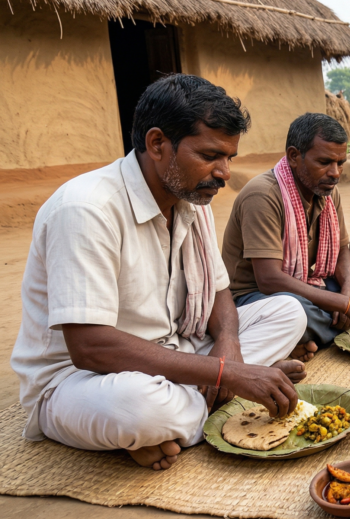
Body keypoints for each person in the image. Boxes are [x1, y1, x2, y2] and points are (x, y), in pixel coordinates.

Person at [11, 75, 309, 471]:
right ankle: (193, 412)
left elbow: (220, 293)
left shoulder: (192, 199)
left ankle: (184, 417)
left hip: (178, 349)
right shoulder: (86, 209)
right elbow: (89, 347)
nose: (223, 172)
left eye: (229, 158)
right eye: (209, 155)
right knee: (137, 409)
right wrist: (228, 374)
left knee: (288, 311)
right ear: (157, 144)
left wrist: (228, 347)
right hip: (84, 379)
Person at [223, 113, 350, 361]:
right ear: (294, 156)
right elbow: (269, 280)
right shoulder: (262, 195)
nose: (335, 173)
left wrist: (348, 294)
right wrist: (347, 307)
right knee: (296, 310)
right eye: (325, 162)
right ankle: (314, 330)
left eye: (340, 163)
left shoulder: (327, 191)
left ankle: (308, 335)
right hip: (258, 298)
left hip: (307, 283)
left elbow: (342, 252)